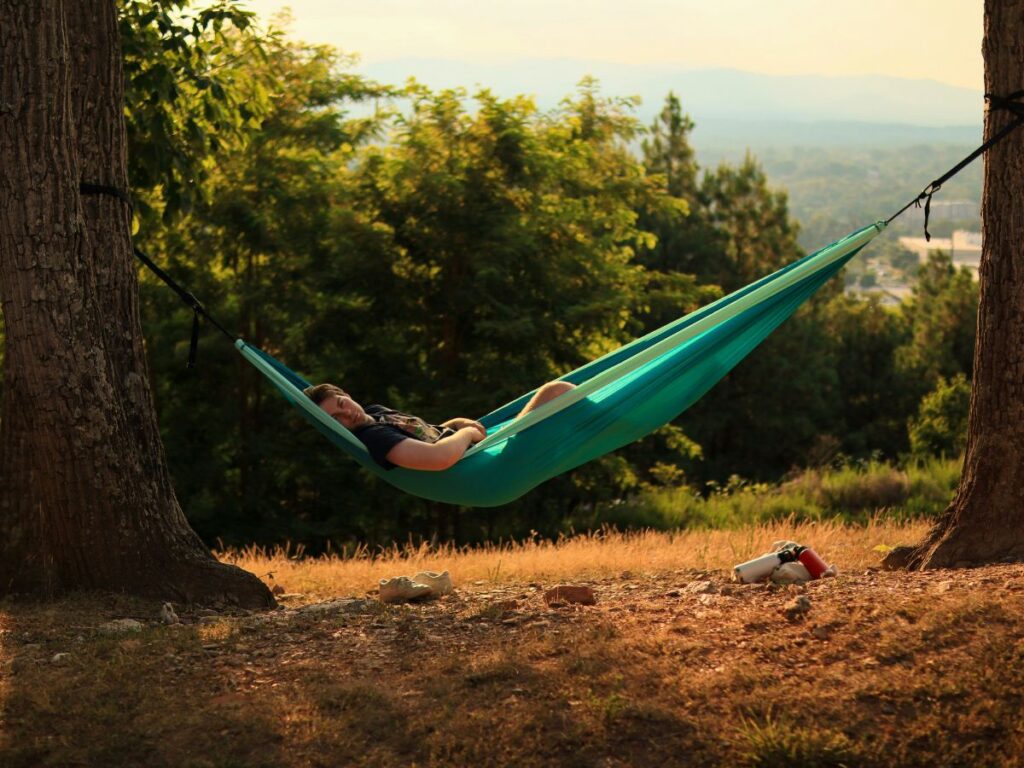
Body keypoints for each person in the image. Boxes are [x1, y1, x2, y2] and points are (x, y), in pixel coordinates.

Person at [304, 380, 576, 471]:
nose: (346, 414)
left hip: (483, 446)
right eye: (336, 419)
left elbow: (426, 435)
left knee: (560, 399)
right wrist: (467, 432)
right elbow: (438, 457)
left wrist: (455, 423)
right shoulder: (374, 437)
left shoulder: (376, 414)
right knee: (556, 392)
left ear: (346, 395)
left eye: (341, 404)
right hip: (486, 464)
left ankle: (614, 419)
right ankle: (617, 419)